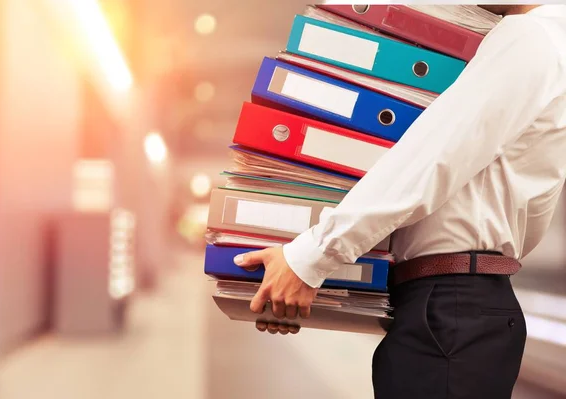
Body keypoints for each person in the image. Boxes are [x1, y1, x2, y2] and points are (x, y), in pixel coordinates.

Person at [232, 4, 566, 398]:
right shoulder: (551, 44)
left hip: (451, 312)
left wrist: (310, 259)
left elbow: (433, 157)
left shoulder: (529, 38)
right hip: (469, 304)